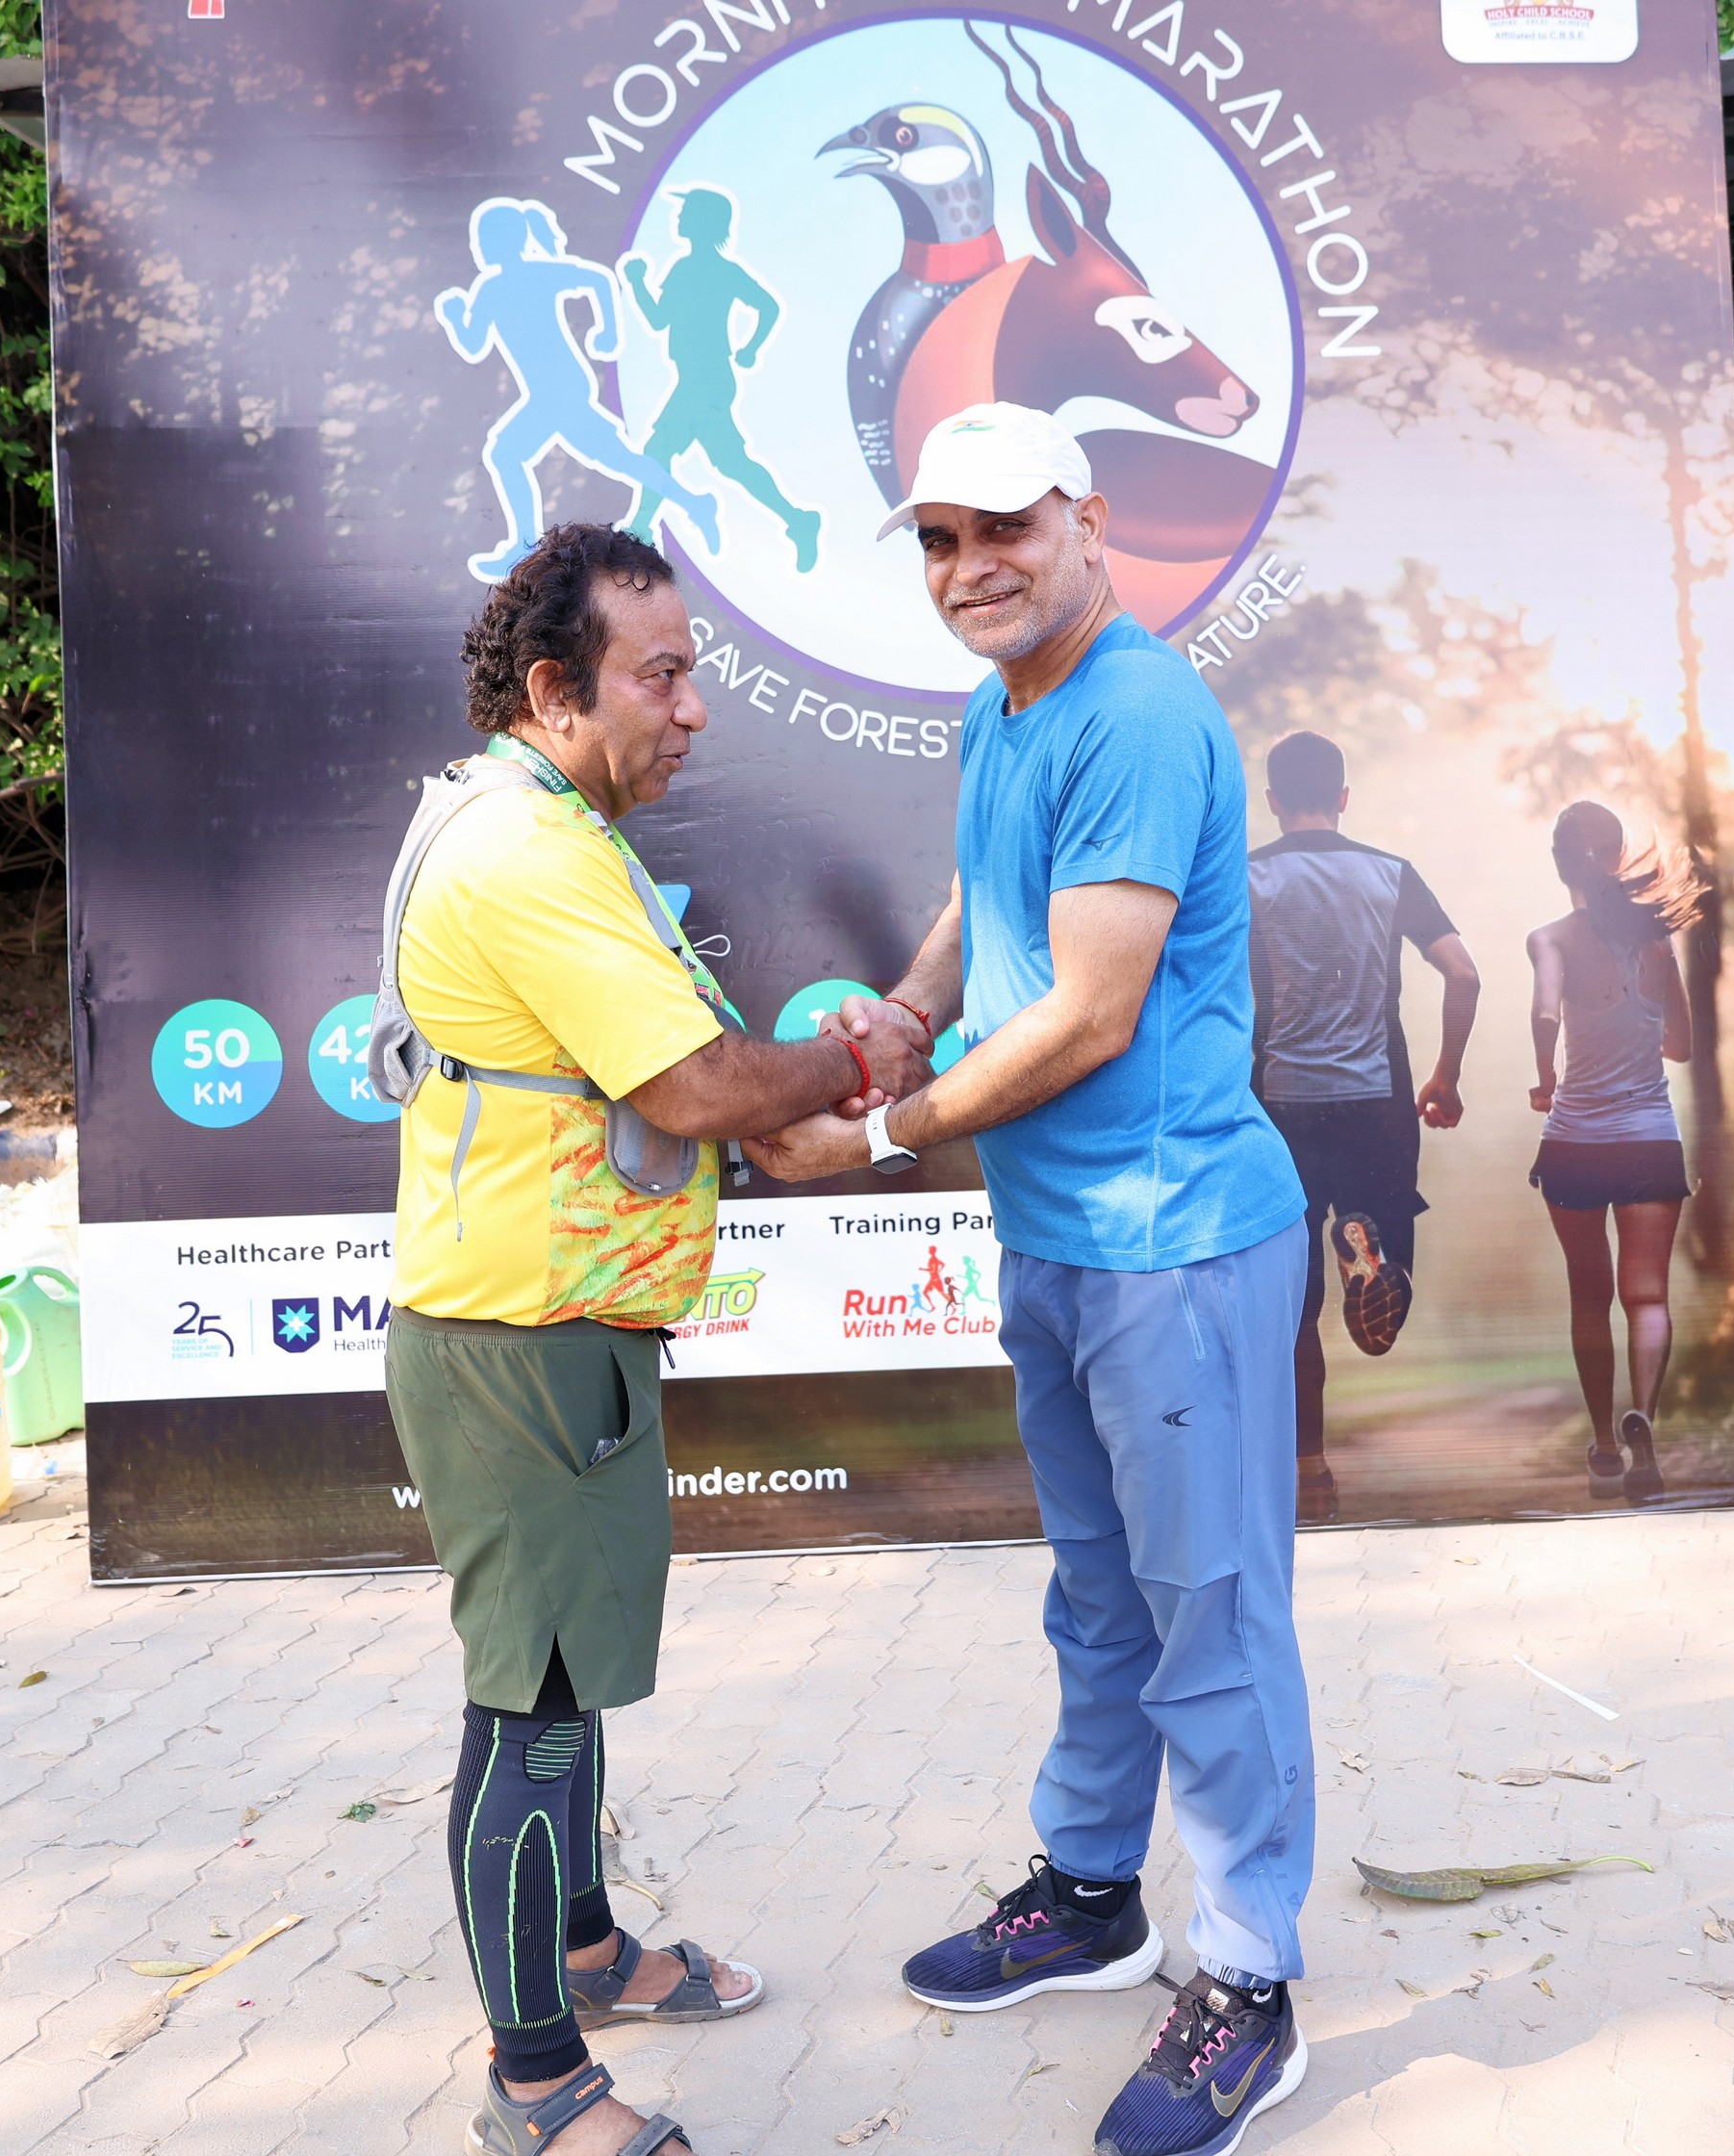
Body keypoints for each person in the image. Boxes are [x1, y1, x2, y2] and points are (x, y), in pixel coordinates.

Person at [750, 402, 1315, 2156]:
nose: (971, 565)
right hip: (1063, 1237)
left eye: (1005, 526)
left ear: (1088, 521)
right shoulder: (1010, 708)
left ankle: (1249, 1977)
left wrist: (879, 1128)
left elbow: (1088, 1011)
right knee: (1100, 1598)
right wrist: (912, 1007)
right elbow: (983, 900)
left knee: (1210, 1614)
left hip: (1175, 1239)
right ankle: (1092, 1893)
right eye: (939, 537)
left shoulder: (1134, 711)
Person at [379, 523, 927, 2156]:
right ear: (558, 691)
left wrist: (805, 1092)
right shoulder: (529, 854)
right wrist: (861, 1061)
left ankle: (588, 1952)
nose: (694, 710)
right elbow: (691, 1086)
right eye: (664, 676)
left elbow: (669, 1070)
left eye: (696, 673)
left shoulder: (539, 820)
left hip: (554, 1328)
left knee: (567, 1676)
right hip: (523, 1341)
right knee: (532, 1707)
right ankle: (536, 2084)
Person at [1245, 729, 1479, 1524]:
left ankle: (1310, 1471)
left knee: (1292, 1303)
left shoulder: (1246, 878)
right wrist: (1446, 1075)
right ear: (1344, 797)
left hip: (1278, 1107)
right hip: (1377, 1101)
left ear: (1272, 800)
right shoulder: (1390, 873)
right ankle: (1367, 1256)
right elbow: (1463, 974)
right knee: (1386, 1281)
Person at [1524, 801, 1703, 1506]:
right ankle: (1644, 1422)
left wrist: (1546, 1077)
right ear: (1620, 856)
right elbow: (1681, 1046)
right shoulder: (1658, 941)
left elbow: (1545, 1010)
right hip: (1649, 1141)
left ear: (1558, 863)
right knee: (1647, 1295)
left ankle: (1603, 1444)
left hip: (1574, 1143)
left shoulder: (1549, 938)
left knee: (1589, 1296)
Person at [435, 199, 722, 583]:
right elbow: (473, 344)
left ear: (508, 241)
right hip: (548, 393)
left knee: (509, 453)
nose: (479, 248)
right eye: (477, 241)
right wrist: (455, 316)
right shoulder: (489, 290)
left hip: (563, 388)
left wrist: (608, 332)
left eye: (485, 239)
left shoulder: (537, 274)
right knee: (611, 458)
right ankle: (694, 502)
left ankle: (523, 546)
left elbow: (597, 280)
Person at [622, 189, 821, 570]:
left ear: (702, 221)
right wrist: (637, 283)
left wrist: (751, 348)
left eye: (685, 212)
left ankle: (642, 525)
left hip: (707, 380)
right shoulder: (684, 267)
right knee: (728, 462)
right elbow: (660, 320)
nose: (678, 217)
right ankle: (797, 520)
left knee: (663, 448)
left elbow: (767, 305)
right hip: (698, 379)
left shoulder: (715, 269)